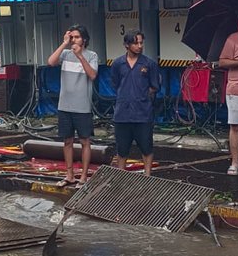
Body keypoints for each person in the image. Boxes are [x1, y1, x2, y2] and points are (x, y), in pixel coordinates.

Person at [47, 24, 99, 185]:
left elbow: (92, 75)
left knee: (85, 141)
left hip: (82, 107)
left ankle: (83, 176)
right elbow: (50, 62)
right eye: (72, 37)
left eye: (77, 37)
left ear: (84, 39)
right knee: (67, 141)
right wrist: (64, 43)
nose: (74, 40)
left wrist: (80, 57)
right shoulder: (65, 54)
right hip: (64, 106)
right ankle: (69, 175)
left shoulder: (91, 55)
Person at [110, 30, 161, 175]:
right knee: (122, 149)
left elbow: (154, 86)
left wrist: (141, 96)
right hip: (122, 114)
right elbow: (115, 84)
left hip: (143, 113)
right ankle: (120, 175)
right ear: (126, 45)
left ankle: (147, 175)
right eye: (135, 43)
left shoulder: (149, 63)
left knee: (146, 146)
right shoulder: (118, 64)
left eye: (141, 42)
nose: (139, 46)